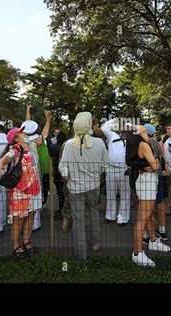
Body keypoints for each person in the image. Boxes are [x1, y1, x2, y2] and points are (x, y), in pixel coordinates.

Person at [58, 112, 108, 261]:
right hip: (94, 186)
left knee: (78, 220)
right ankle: (94, 244)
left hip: (75, 188)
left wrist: (68, 178)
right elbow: (105, 164)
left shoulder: (68, 145)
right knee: (93, 212)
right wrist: (95, 173)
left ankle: (81, 255)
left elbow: (62, 167)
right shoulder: (99, 143)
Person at [0, 126, 41, 258]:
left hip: (35, 190)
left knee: (31, 215)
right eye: (21, 132)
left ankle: (26, 242)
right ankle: (16, 245)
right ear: (17, 138)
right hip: (20, 192)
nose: (25, 132)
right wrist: (0, 164)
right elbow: (8, 157)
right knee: (18, 220)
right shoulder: (16, 148)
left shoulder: (31, 145)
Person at [127, 124, 171, 267]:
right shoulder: (143, 145)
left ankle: (152, 241)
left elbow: (151, 166)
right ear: (139, 132)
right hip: (147, 183)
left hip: (147, 181)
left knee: (148, 214)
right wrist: (157, 162)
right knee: (142, 218)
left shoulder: (142, 143)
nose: (140, 125)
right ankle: (138, 253)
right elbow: (156, 166)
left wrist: (154, 165)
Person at [101, 117, 130, 226]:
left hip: (125, 170)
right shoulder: (112, 135)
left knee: (125, 195)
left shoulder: (132, 139)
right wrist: (115, 120)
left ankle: (123, 218)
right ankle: (110, 216)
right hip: (111, 169)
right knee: (111, 193)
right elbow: (104, 128)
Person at [49, 131, 67, 221]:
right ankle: (66, 210)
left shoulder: (53, 147)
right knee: (67, 192)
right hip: (66, 172)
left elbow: (51, 158)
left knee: (59, 192)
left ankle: (61, 209)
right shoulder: (67, 147)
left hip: (56, 172)